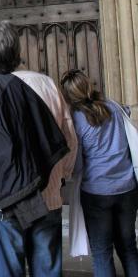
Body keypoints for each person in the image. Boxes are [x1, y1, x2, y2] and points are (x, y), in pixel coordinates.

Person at [0, 21, 71, 277]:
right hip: (47, 195)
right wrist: (59, 177)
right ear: (18, 51)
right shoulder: (46, 85)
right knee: (48, 271)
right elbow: (68, 141)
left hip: (3, 199)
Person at [60, 69, 138, 277]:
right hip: (127, 188)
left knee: (102, 253)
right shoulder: (113, 107)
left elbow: (77, 166)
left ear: (67, 96)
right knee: (129, 248)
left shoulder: (76, 120)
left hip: (97, 193)